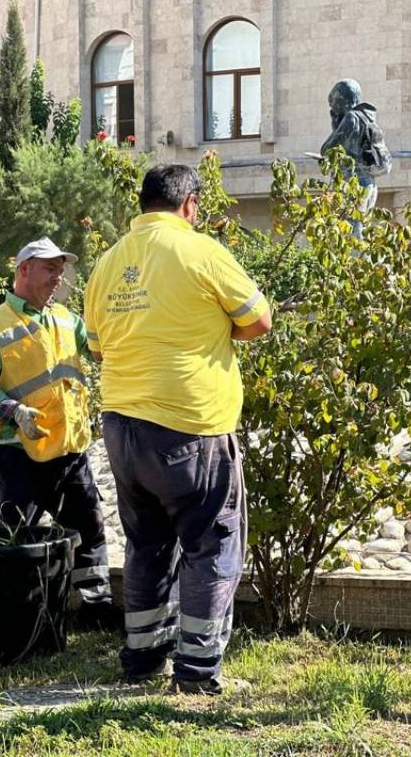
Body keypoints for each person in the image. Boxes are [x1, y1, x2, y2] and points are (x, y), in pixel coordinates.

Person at [84, 165, 272, 693]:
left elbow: (97, 347)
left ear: (143, 204)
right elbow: (259, 321)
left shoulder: (107, 263)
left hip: (122, 426)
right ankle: (197, 673)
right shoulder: (203, 252)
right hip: (190, 425)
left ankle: (143, 660)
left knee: (146, 545)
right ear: (189, 205)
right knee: (212, 544)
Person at [0, 236, 118, 629]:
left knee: (89, 529)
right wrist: (14, 411)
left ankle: (96, 610)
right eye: (50, 269)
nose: (58, 278)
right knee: (18, 538)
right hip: (19, 454)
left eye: (60, 270)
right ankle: (15, 613)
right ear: (23, 271)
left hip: (69, 451)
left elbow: (102, 349)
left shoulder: (68, 319)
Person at [320, 78, 391, 234]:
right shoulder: (366, 117)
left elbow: (327, 149)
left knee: (351, 230)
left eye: (333, 102)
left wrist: (335, 125)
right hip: (368, 182)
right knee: (360, 227)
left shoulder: (351, 118)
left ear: (342, 100)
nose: (332, 107)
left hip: (353, 182)